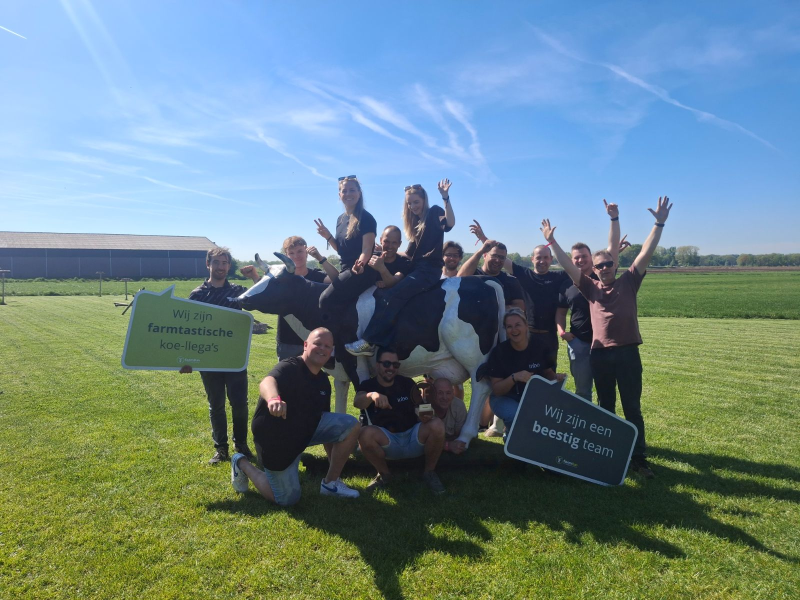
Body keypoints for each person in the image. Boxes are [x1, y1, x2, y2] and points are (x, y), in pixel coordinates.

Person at [540, 196, 674, 479]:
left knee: (632, 408)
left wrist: (659, 224)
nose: (604, 268)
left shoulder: (630, 280)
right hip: (600, 354)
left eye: (608, 264)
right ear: (595, 269)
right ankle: (608, 456)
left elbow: (647, 251)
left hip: (627, 354)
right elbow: (568, 265)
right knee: (606, 408)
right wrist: (552, 242)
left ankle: (639, 460)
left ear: (615, 264)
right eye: (599, 266)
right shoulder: (590, 288)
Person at [230, 328, 361, 504]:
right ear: (305, 345)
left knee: (350, 425)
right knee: (286, 499)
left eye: (327, 346)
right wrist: (274, 399)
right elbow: (267, 381)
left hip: (303, 431)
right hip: (276, 438)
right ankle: (242, 463)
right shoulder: (290, 366)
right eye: (317, 343)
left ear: (331, 351)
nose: (322, 349)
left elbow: (325, 422)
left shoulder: (323, 381)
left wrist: (333, 466)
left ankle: (331, 484)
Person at [346, 179, 455, 356]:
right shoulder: (416, 225)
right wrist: (386, 250)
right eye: (409, 203)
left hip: (428, 270)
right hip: (417, 268)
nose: (413, 206)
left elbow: (449, 223)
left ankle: (370, 341)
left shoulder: (434, 212)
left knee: (393, 295)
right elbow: (408, 254)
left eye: (416, 202)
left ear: (424, 200)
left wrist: (445, 197)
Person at [182, 247, 260, 465]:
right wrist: (187, 358)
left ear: (229, 266)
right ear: (208, 264)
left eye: (224, 263)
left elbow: (260, 300)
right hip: (208, 359)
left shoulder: (237, 291)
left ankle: (241, 445)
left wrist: (255, 277)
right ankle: (221, 448)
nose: (221, 267)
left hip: (234, 357)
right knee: (216, 404)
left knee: (240, 403)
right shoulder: (197, 294)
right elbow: (188, 330)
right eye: (216, 262)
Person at [469, 221, 568, 370]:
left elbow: (569, 265)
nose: (542, 261)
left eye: (546, 257)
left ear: (551, 259)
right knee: (523, 372)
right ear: (532, 259)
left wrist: (552, 241)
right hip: (526, 334)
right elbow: (499, 257)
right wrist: (484, 239)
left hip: (549, 336)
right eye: (538, 257)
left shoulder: (559, 277)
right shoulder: (524, 274)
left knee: (549, 373)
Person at [354, 349, 447, 494]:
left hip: (412, 437)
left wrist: (424, 415)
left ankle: (429, 472)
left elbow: (421, 406)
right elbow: (357, 402)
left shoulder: (407, 383)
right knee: (364, 433)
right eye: (386, 364)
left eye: (395, 365)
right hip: (387, 441)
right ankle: (384, 475)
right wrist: (372, 396)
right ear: (377, 365)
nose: (391, 368)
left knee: (437, 424)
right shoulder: (368, 385)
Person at [484, 308, 564, 436]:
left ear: (526, 326)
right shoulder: (499, 352)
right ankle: (511, 439)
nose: (514, 330)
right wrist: (514, 377)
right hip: (504, 398)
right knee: (516, 415)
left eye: (518, 325)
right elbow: (497, 390)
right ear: (506, 330)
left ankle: (527, 441)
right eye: (509, 326)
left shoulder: (540, 346)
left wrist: (556, 377)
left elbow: (548, 373)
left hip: (532, 397)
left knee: (552, 415)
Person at [315, 175, 378, 326]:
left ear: (359, 193)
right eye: (344, 191)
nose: (348, 194)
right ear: (340, 195)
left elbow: (367, 249)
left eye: (352, 190)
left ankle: (335, 334)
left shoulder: (366, 218)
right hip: (346, 268)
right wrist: (328, 236)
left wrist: (359, 265)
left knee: (325, 299)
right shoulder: (340, 219)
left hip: (361, 271)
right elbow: (342, 250)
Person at [275, 236, 329, 360]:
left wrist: (320, 258)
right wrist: (254, 276)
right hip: (287, 340)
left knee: (314, 373)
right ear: (286, 256)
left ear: (307, 252)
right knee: (287, 372)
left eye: (300, 251)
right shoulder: (280, 278)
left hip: (314, 340)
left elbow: (338, 279)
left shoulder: (316, 275)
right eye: (291, 253)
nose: (296, 256)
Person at [555, 243, 597, 402]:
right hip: (579, 342)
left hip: (604, 343)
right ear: (571, 260)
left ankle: (603, 417)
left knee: (605, 389)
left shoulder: (601, 278)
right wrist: (561, 332)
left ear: (591, 257)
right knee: (583, 391)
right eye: (576, 257)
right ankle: (584, 417)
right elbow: (561, 312)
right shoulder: (567, 284)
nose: (580, 260)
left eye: (584, 256)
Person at [457, 238, 525, 312]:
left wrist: (494, 309)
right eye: (494, 256)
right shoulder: (472, 275)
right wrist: (480, 252)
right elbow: (458, 280)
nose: (497, 260)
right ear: (485, 255)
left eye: (502, 257)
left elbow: (520, 307)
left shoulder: (511, 280)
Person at [430, 378, 467, 454]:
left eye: (448, 393)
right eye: (440, 393)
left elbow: (460, 435)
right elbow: (423, 440)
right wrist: (448, 445)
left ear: (453, 393)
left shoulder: (458, 406)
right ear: (432, 393)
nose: (445, 397)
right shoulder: (424, 407)